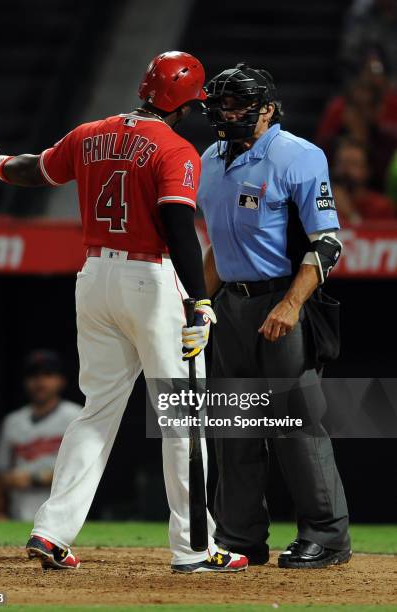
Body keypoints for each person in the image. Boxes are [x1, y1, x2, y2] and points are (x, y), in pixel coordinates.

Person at [0, 51, 247, 573]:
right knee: (184, 417)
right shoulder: (178, 148)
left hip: (94, 278)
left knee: (96, 412)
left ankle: (51, 532)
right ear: (184, 102)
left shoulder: (90, 132)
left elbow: (37, 170)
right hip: (152, 280)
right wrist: (201, 301)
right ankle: (194, 549)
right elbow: (179, 226)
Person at [199, 62, 351, 569]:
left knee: (295, 424)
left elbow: (327, 243)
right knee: (233, 427)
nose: (226, 112)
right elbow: (219, 247)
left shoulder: (298, 155)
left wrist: (291, 303)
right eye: (221, 103)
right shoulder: (211, 158)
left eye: (237, 103)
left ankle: (327, 536)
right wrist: (199, 304)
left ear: (266, 108)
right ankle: (240, 538)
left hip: (282, 302)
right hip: (231, 307)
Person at [0, 350, 81, 521]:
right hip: (18, 513)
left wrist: (35, 478)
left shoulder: (76, 416)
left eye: (48, 375)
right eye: (34, 376)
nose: (40, 382)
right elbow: (0, 474)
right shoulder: (12, 421)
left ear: (61, 381)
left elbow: (81, 471)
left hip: (65, 517)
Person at [332, 137, 395, 222]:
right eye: (341, 163)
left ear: (367, 171)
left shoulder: (381, 206)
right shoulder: (321, 204)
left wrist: (351, 214)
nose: (345, 170)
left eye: (353, 164)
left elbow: (377, 234)